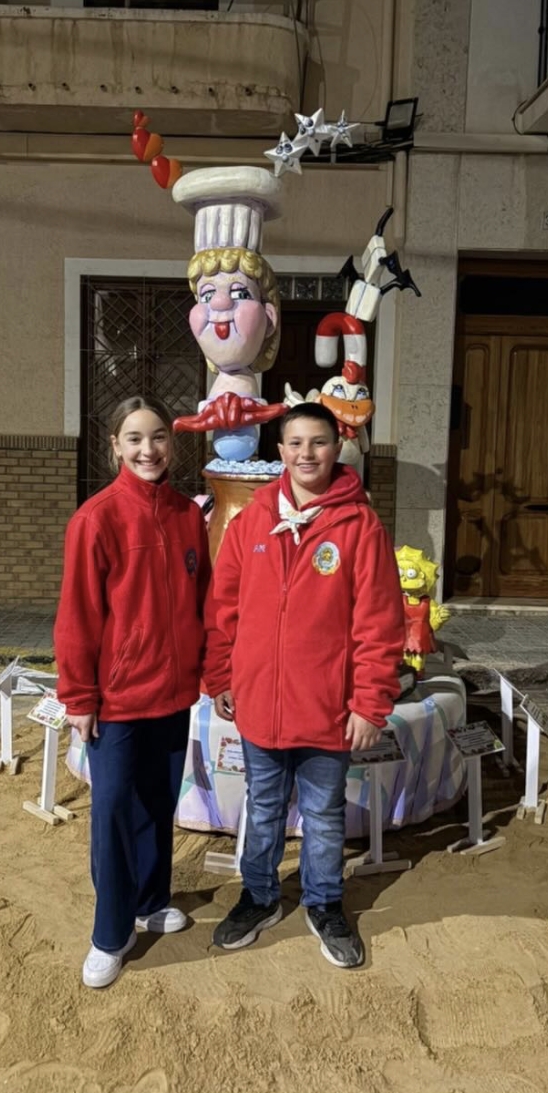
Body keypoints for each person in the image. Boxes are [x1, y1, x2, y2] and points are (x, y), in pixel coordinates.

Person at [204, 402, 405, 968]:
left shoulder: (359, 526)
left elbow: (379, 623)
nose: (306, 454)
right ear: (280, 451)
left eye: (318, 442)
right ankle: (259, 896)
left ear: (337, 448)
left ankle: (324, 902)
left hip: (326, 708)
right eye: (295, 443)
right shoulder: (252, 522)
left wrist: (369, 703)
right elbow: (223, 608)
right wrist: (221, 675)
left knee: (322, 815)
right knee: (263, 807)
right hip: (260, 706)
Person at [54, 395, 210, 989]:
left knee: (157, 803)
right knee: (114, 812)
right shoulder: (95, 518)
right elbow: (77, 616)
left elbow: (203, 601)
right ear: (115, 446)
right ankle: (110, 933)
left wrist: (207, 673)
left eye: (159, 437)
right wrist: (80, 697)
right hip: (117, 701)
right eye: (135, 438)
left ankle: (150, 900)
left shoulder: (188, 515)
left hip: (172, 695)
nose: (149, 450)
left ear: (173, 444)